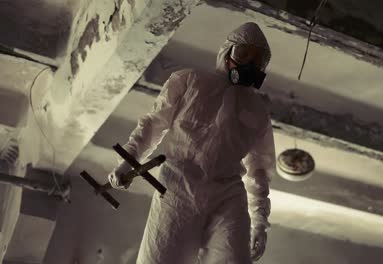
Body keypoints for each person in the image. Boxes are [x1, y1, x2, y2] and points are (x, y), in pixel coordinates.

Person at [108, 22, 276, 264]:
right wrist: (127, 162)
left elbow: (259, 169)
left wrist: (259, 221)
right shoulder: (189, 81)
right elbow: (154, 124)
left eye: (257, 60)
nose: (249, 63)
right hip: (177, 186)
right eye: (243, 54)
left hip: (228, 196)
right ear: (227, 53)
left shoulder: (258, 111)